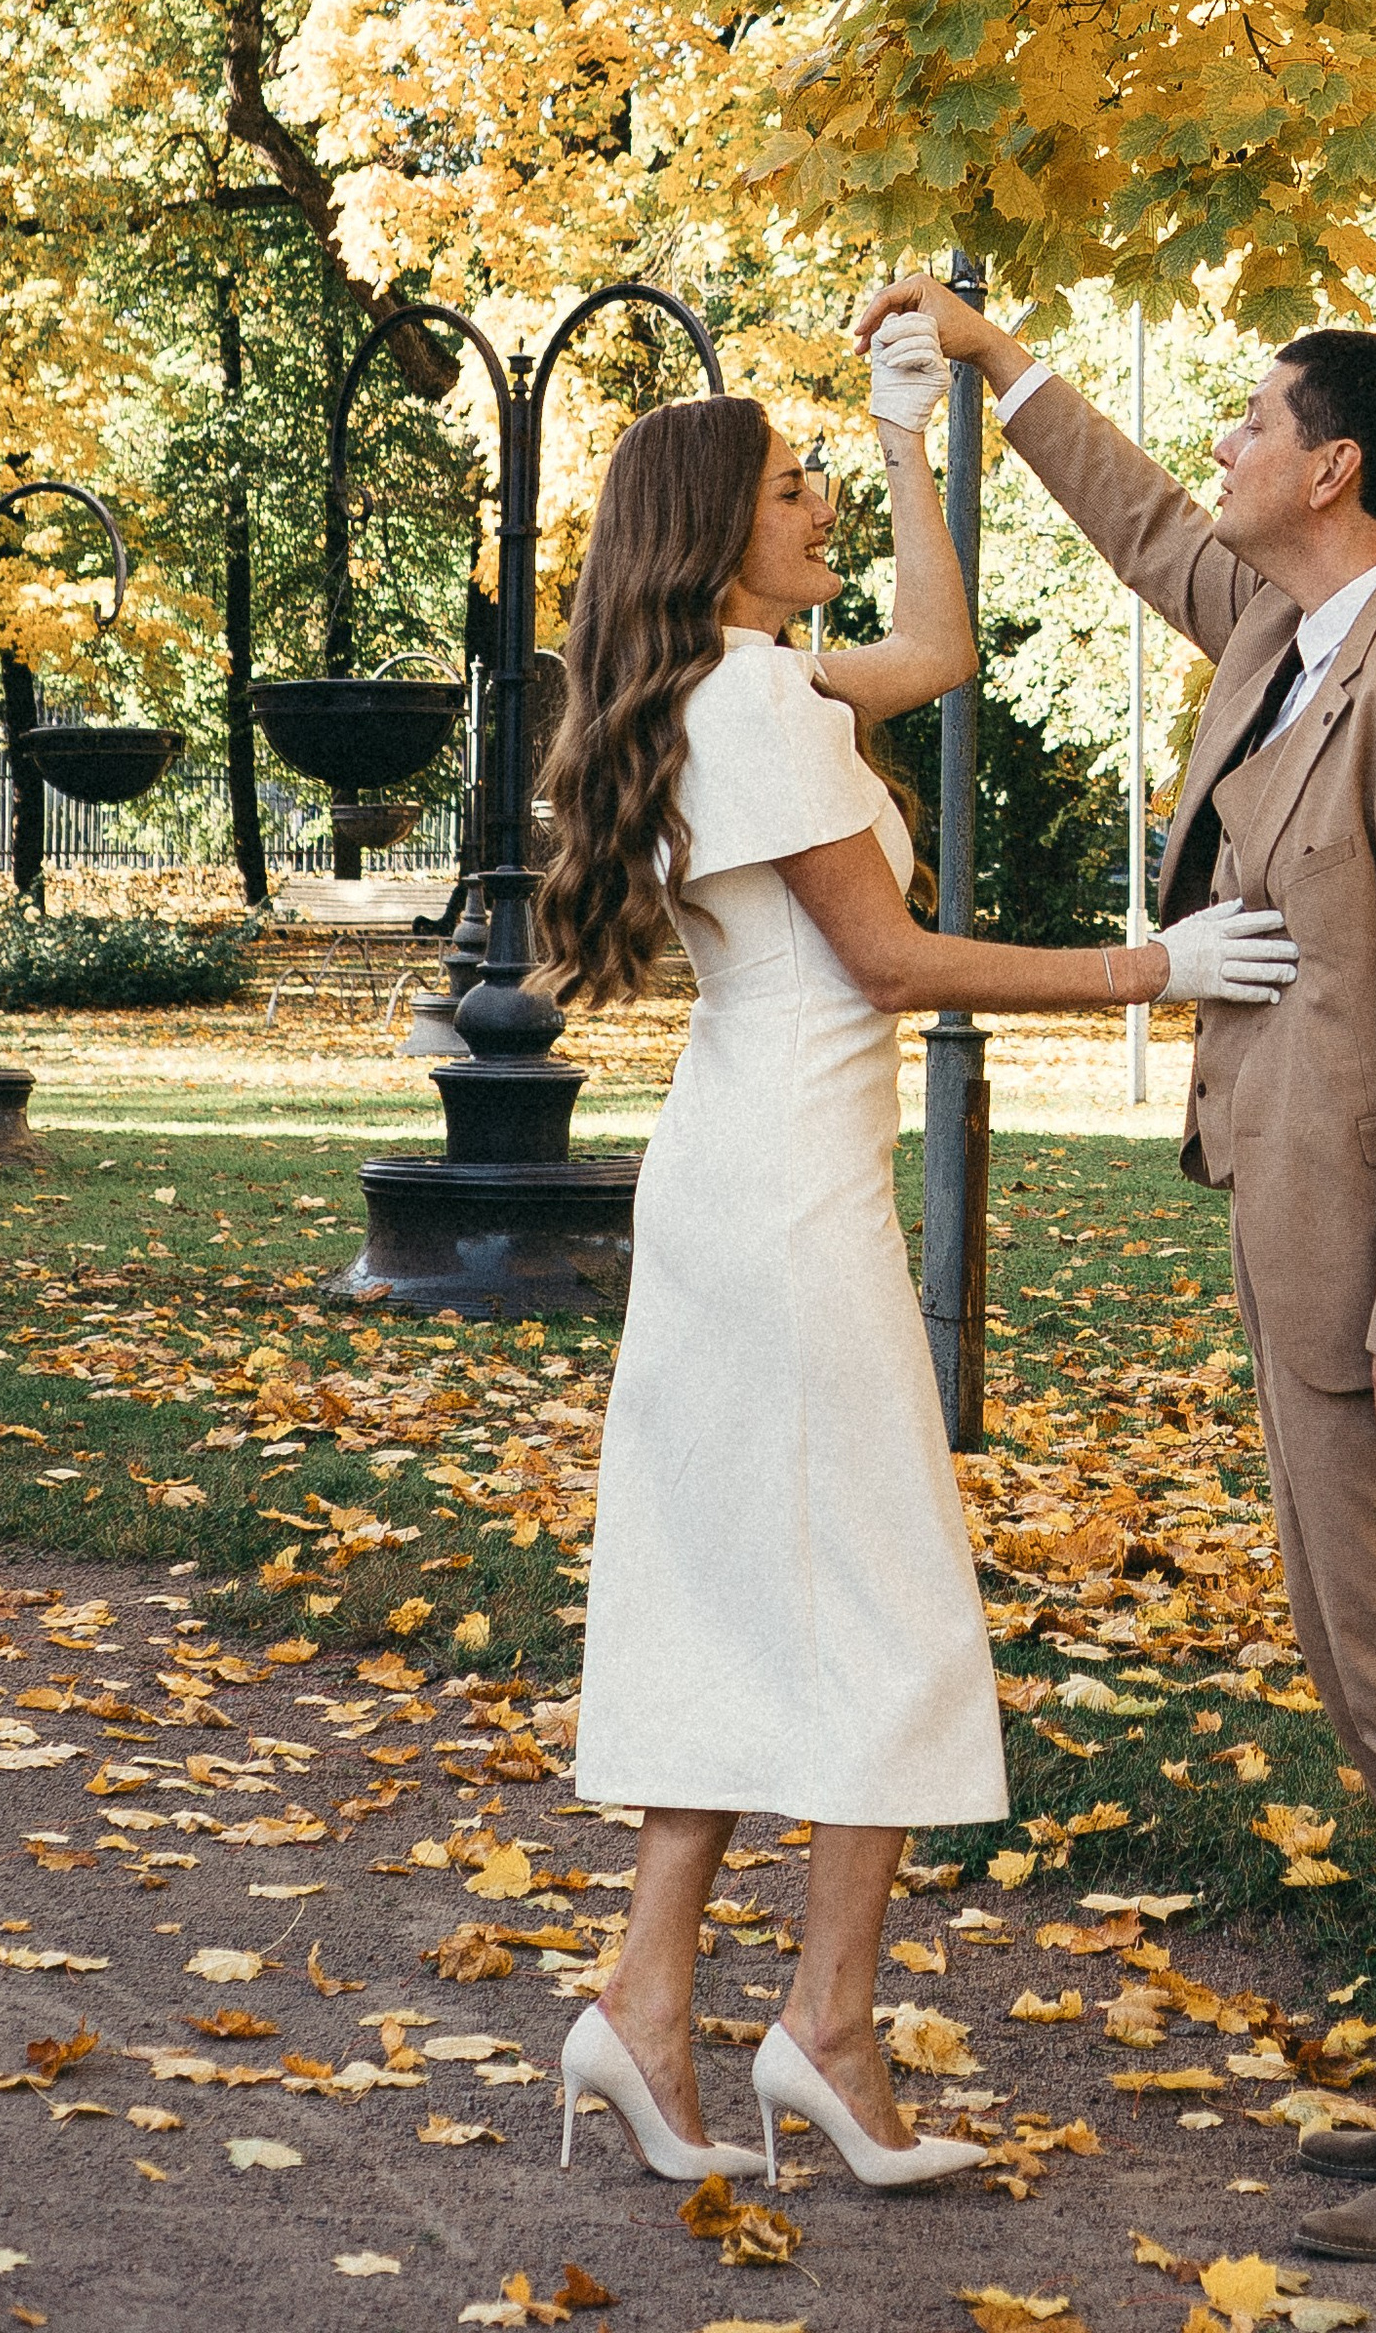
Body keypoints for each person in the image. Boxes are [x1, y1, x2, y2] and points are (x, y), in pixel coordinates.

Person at [856, 278, 1376, 2261]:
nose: (1221, 453)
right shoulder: (1298, 624)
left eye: (1250, 425)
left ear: (1332, 463)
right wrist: (1003, 369)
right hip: (1311, 1246)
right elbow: (1143, 531)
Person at [531, 314, 1300, 2197]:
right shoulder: (759, 707)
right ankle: (826, 2027)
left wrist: (907, 436)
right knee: (892, 1608)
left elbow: (942, 654)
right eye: (793, 484)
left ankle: (649, 2001)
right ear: (714, 534)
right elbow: (891, 964)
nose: (821, 510)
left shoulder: (744, 686)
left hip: (743, 1179)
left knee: (740, 1595)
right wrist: (1156, 966)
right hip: (788, 1202)